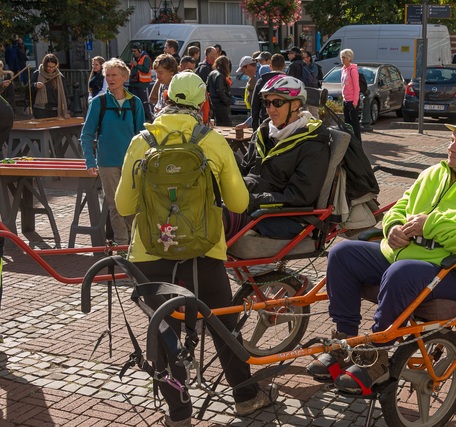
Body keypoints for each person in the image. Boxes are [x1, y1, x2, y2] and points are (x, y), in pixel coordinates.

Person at [305, 107, 456, 393]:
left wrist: (432, 226)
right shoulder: (434, 173)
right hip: (406, 259)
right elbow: (401, 208)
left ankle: (376, 355)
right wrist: (392, 228)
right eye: (452, 139)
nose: (450, 147)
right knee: (342, 254)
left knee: (402, 271)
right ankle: (346, 343)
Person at [115, 72, 276, 427]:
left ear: (165, 98)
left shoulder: (141, 141)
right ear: (203, 105)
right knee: (224, 326)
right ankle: (246, 398)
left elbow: (124, 206)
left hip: (149, 254)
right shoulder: (211, 141)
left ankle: (179, 414)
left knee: (163, 331)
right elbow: (238, 201)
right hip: (203, 253)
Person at [225, 75, 331, 239]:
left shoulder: (313, 145)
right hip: (255, 207)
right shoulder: (264, 132)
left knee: (214, 220)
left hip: (285, 217)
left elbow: (298, 197)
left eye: (277, 103)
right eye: (267, 103)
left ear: (295, 105)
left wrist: (251, 200)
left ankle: (204, 265)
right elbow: (246, 169)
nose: (270, 109)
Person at [80, 58, 145, 246]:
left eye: (114, 75)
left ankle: (136, 245)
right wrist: (90, 161)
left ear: (124, 77)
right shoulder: (98, 103)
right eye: (107, 75)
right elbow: (86, 134)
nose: (110, 78)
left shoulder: (135, 103)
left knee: (133, 204)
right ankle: (123, 246)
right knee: (115, 205)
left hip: (131, 163)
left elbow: (142, 135)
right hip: (107, 162)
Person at [249, 53, 286, 131]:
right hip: (285, 121)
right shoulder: (288, 81)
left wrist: (254, 125)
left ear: (270, 66)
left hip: (267, 119)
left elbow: (255, 104)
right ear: (284, 66)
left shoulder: (262, 80)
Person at [31, 53, 68, 119]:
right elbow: (28, 90)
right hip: (41, 110)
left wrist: (67, 110)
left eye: (53, 67)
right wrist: (35, 85)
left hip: (56, 110)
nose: (51, 69)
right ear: (44, 65)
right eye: (49, 67)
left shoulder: (59, 76)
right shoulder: (37, 74)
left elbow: (65, 93)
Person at [340, 48, 362, 141]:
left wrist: (355, 101)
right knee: (347, 123)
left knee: (354, 123)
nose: (342, 59)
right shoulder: (343, 69)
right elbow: (343, 85)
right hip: (346, 99)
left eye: (344, 57)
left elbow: (357, 87)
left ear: (349, 58)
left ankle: (357, 142)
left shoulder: (353, 70)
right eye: (341, 57)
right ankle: (349, 142)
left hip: (353, 100)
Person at [128, 44, 153, 122]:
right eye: (132, 51)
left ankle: (150, 118)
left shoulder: (146, 58)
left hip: (143, 84)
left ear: (139, 50)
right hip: (134, 84)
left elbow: (146, 69)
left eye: (134, 51)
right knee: (134, 103)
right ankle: (138, 118)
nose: (133, 53)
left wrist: (137, 65)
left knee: (145, 103)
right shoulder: (135, 58)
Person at [206, 55, 232, 126]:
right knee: (227, 124)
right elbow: (220, 90)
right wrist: (226, 100)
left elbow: (207, 87)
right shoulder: (220, 75)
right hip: (221, 103)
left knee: (217, 123)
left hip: (213, 102)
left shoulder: (212, 73)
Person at [234, 56, 258, 130]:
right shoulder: (252, 77)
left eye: (243, 70)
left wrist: (246, 123)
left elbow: (259, 109)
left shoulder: (258, 78)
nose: (244, 74)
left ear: (248, 66)